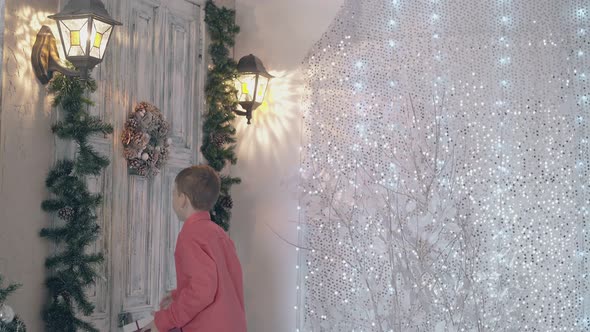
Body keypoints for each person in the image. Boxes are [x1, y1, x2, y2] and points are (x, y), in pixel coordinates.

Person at [142, 165, 247, 332]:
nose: (173, 199)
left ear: (183, 200)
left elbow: (202, 290)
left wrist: (167, 319)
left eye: (174, 193)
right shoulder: (219, 234)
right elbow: (216, 281)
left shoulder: (190, 236)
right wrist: (178, 294)